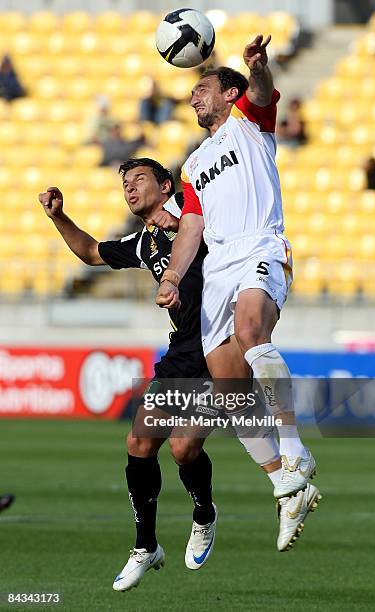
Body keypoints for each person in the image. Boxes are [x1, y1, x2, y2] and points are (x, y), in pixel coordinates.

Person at [38, 157, 319, 592]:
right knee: (139, 442)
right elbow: (91, 252)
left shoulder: (202, 220)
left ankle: (205, 514)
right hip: (179, 357)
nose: (129, 189)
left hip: (214, 347)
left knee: (184, 450)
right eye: (125, 183)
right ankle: (145, 546)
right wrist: (59, 217)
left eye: (139, 180)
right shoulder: (143, 243)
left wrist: (189, 222)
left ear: (166, 185)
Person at [156, 35, 320, 505]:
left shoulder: (249, 122)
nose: (194, 97)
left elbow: (264, 91)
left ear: (231, 93)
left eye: (202, 89)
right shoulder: (191, 165)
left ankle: (294, 449)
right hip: (218, 271)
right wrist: (171, 278)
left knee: (252, 330)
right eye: (191, 94)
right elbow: (191, 225)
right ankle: (286, 487)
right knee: (230, 393)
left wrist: (257, 68)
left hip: (260, 246)